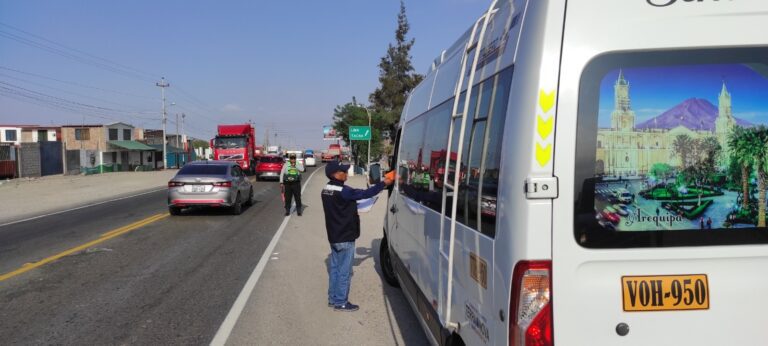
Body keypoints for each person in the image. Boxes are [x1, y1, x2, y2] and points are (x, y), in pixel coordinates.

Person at [321, 161, 393, 312]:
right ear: (335, 174)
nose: (346, 174)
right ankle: (341, 302)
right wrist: (383, 183)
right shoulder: (344, 191)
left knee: (335, 268)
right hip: (345, 236)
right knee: (344, 271)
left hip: (334, 235)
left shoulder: (326, 189)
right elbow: (365, 194)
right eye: (343, 172)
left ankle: (332, 298)